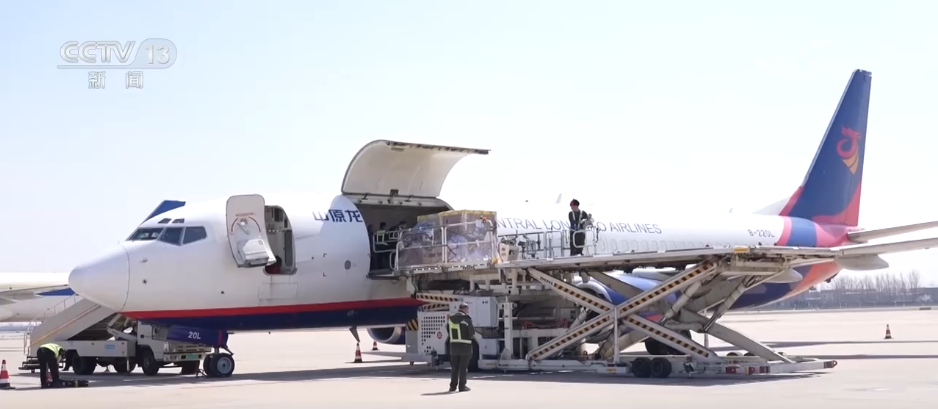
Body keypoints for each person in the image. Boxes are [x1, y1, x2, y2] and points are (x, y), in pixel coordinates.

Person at [447, 302, 475, 392]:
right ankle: (462, 386)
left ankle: (452, 386)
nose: (468, 311)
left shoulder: (450, 319)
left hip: (454, 347)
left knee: (454, 368)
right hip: (465, 347)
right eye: (467, 309)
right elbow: (472, 333)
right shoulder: (466, 319)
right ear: (465, 309)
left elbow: (448, 330)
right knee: (463, 368)